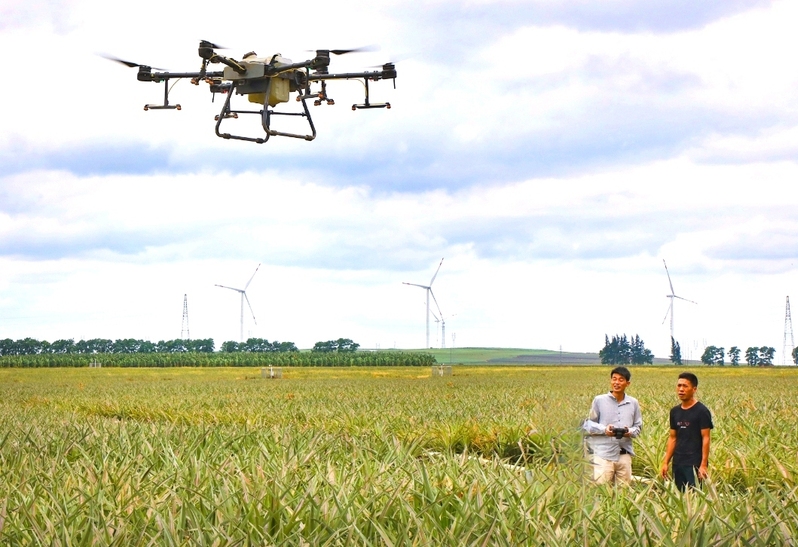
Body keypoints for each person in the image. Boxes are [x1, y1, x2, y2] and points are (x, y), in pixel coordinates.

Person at [582, 366, 643, 485]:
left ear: (628, 383)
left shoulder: (633, 403)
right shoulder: (599, 400)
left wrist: (629, 431)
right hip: (603, 456)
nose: (616, 382)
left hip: (624, 455)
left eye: (621, 379)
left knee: (624, 492)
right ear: (611, 381)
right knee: (601, 490)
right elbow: (588, 424)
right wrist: (604, 429)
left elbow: (638, 427)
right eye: (614, 379)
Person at [660, 372, 714, 490]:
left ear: (694, 389)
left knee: (695, 495)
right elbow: (673, 437)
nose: (681, 389)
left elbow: (706, 437)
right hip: (678, 462)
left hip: (694, 463)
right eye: (679, 385)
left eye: (685, 386)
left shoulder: (702, 411)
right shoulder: (675, 412)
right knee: (679, 494)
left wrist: (703, 464)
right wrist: (666, 462)